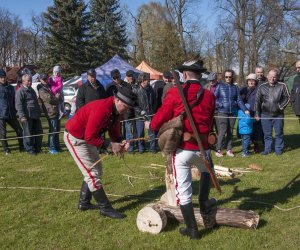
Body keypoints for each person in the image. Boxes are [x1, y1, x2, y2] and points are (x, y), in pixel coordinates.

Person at [150, 58, 216, 239]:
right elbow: (210, 122)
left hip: (183, 150)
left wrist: (154, 125)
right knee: (205, 173)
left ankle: (193, 229)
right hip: (204, 149)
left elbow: (157, 122)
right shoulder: (210, 95)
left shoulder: (174, 93)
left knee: (184, 192)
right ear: (200, 74)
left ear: (185, 74)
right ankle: (203, 204)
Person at [64, 86, 137, 219]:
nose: (127, 110)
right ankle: (105, 209)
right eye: (126, 106)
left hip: (88, 138)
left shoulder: (115, 111)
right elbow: (89, 136)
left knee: (96, 170)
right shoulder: (102, 109)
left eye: (129, 108)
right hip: (76, 138)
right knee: (92, 174)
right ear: (117, 100)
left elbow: (114, 132)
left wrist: (121, 140)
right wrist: (110, 145)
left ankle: (84, 203)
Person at [214, 69, 249, 157]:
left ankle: (229, 149)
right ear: (224, 77)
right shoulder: (219, 86)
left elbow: (239, 100)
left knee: (230, 130)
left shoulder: (235, 87)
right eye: (226, 77)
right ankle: (218, 149)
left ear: (232, 77)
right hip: (222, 111)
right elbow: (214, 98)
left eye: (230, 77)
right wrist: (219, 104)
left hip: (233, 112)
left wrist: (245, 109)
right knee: (223, 129)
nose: (228, 78)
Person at [255, 69, 290, 155]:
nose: (272, 78)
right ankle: (267, 150)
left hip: (278, 115)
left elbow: (287, 97)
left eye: (274, 76)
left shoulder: (282, 85)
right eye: (270, 76)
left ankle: (278, 150)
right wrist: (257, 113)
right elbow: (257, 101)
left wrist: (280, 106)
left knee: (279, 133)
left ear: (277, 77)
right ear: (267, 76)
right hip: (265, 114)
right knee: (267, 134)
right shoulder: (262, 87)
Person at [15, 74, 43, 156]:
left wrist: (39, 112)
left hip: (35, 115)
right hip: (26, 117)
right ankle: (30, 150)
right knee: (28, 134)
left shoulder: (32, 90)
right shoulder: (20, 91)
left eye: (31, 80)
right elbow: (18, 105)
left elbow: (35, 103)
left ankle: (38, 148)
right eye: (28, 80)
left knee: (39, 132)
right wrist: (22, 116)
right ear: (23, 81)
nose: (30, 82)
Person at [0, 69, 24, 154]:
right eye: (1, 77)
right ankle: (6, 150)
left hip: (11, 114)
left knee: (19, 130)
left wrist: (15, 110)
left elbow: (14, 100)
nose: (3, 79)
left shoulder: (10, 87)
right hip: (1, 115)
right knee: (3, 134)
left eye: (4, 77)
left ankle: (22, 147)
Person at [133, 73, 157, 153]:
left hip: (150, 114)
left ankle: (152, 148)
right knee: (140, 133)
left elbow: (154, 100)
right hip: (139, 116)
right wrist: (141, 111)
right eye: (146, 80)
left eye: (148, 80)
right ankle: (141, 149)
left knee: (152, 132)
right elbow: (134, 104)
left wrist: (152, 110)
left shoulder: (150, 89)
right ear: (142, 81)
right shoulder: (135, 89)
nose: (148, 81)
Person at [239, 73, 263, 153]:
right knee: (247, 130)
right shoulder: (243, 89)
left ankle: (256, 145)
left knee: (256, 130)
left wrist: (257, 113)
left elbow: (260, 102)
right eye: (249, 80)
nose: (251, 82)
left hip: (255, 111)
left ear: (255, 81)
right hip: (246, 113)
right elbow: (239, 100)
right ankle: (247, 145)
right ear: (247, 81)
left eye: (253, 80)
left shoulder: (258, 90)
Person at [38, 73, 61, 154]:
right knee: (53, 130)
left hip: (56, 111)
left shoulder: (49, 86)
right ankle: (51, 147)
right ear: (40, 80)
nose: (45, 80)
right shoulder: (41, 89)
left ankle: (57, 146)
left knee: (57, 130)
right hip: (50, 112)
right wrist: (57, 97)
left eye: (46, 79)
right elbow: (50, 99)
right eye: (43, 79)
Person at [123, 70, 137, 153]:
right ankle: (130, 149)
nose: (131, 77)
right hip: (127, 112)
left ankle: (135, 144)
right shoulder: (124, 86)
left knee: (135, 131)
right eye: (129, 76)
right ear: (127, 77)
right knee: (129, 132)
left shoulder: (135, 84)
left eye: (132, 75)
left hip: (135, 111)